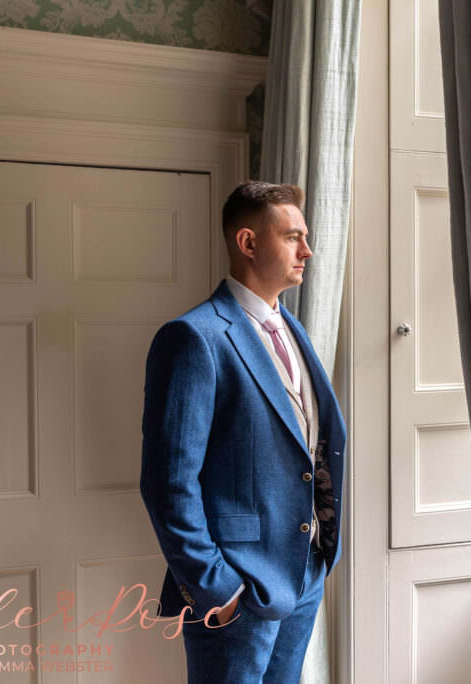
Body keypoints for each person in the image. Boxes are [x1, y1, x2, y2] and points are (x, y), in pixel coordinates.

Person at [140, 181, 346, 683]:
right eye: (292, 236)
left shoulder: (293, 329)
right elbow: (169, 483)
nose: (308, 249)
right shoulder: (194, 337)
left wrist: (315, 562)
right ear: (249, 243)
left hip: (303, 574)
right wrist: (218, 590)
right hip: (237, 588)